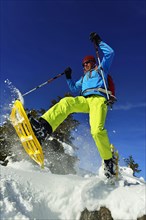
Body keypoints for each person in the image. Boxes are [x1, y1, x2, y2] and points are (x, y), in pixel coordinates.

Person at [30, 32, 116, 178]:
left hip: (99, 100)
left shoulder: (101, 70)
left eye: (87, 63)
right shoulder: (83, 78)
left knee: (96, 131)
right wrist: (69, 76)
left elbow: (110, 53)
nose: (85, 65)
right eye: (83, 64)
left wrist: (99, 41)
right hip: (86, 100)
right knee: (67, 101)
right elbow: (75, 89)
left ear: (93, 63)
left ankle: (108, 162)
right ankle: (43, 128)